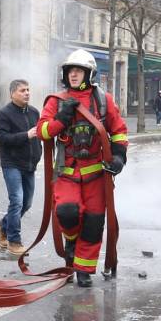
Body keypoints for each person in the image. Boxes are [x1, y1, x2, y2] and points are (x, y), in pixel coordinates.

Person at [37, 49, 129, 287]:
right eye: (70, 71)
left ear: (89, 73)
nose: (73, 75)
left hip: (96, 175)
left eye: (78, 71)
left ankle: (84, 270)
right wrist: (62, 119)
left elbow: (118, 131)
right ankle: (71, 242)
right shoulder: (56, 102)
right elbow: (43, 131)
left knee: (94, 223)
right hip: (66, 175)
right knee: (67, 214)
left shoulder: (103, 100)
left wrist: (119, 157)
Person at [0, 80, 42, 256]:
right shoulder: (3, 114)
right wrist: (26, 135)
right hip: (11, 164)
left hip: (29, 164)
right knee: (17, 201)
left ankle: (2, 226)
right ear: (12, 93)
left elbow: (40, 134)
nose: (27, 93)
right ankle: (14, 242)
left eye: (28, 90)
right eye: (23, 90)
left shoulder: (35, 112)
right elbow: (3, 139)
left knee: (27, 203)